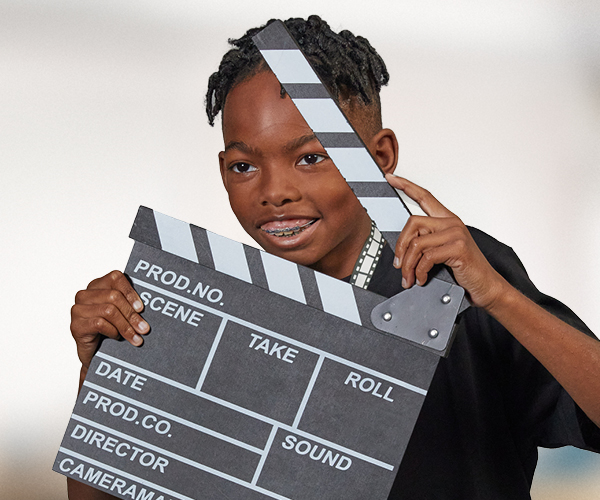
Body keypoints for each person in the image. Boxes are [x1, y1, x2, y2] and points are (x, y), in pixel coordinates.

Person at [67, 15, 600, 500]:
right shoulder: (204, 315)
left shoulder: (458, 275)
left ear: (381, 156)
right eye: (243, 167)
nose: (274, 191)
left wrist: (499, 296)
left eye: (311, 157)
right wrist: (103, 373)